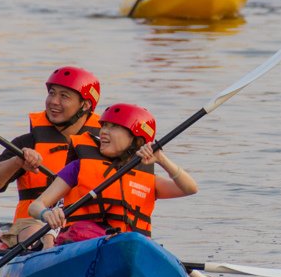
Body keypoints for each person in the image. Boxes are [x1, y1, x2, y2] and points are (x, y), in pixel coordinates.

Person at [28, 103, 198, 247]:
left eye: (114, 127)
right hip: (81, 244)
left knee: (135, 242)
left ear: (137, 140)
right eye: (104, 126)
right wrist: (46, 214)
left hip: (127, 246)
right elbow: (36, 206)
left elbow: (190, 188)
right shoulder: (79, 167)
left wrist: (162, 160)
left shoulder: (148, 180)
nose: (103, 132)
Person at [0, 67, 102, 248]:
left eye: (64, 96)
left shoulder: (104, 147)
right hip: (32, 226)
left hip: (83, 228)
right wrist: (17, 161)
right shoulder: (28, 143)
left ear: (85, 105)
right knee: (37, 232)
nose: (54, 102)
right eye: (52, 94)